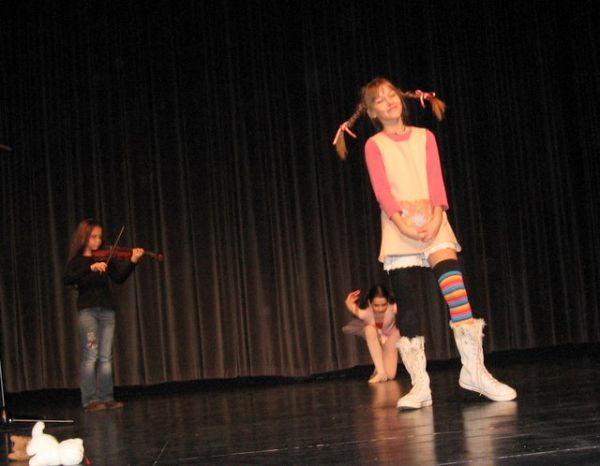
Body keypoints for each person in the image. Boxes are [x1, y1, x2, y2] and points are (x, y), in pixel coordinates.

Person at [333, 78, 516, 409]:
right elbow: (382, 190)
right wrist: (402, 222)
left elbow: (436, 181)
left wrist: (436, 216)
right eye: (379, 100)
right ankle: (419, 384)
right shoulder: (374, 145)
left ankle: (475, 371)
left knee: (457, 294)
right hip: (399, 226)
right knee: (409, 307)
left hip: (433, 220)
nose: (388, 101)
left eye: (391, 95)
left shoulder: (425, 137)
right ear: (372, 112)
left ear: (401, 99)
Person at [63, 219, 144, 412]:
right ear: (84, 238)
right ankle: (90, 400)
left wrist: (132, 262)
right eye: (93, 237)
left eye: (99, 237)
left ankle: (107, 397)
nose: (98, 241)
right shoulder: (78, 261)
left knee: (106, 356)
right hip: (88, 312)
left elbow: (118, 279)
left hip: (107, 310)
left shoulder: (105, 257)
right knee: (90, 355)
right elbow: (67, 278)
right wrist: (90, 267)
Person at [343, 285, 399, 384]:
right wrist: (348, 301)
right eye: (376, 305)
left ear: (388, 301)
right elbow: (353, 309)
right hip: (376, 336)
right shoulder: (366, 313)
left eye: (384, 305)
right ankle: (380, 372)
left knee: (390, 375)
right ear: (370, 302)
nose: (380, 309)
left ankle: (379, 367)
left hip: (390, 337)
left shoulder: (393, 308)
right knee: (369, 329)